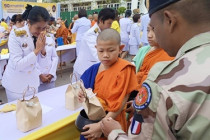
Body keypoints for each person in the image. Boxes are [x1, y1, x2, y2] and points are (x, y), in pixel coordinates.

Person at [101, 0, 210, 139]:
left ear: (169, 20)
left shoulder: (165, 81)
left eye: (154, 27)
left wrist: (114, 133)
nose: (152, 34)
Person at [78, 28, 137, 140]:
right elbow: (87, 91)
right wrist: (82, 94)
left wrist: (100, 126)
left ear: (120, 49)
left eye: (111, 50)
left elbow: (119, 105)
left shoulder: (124, 69)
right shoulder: (95, 69)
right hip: (94, 117)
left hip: (113, 122)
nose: (105, 55)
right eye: (101, 51)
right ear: (96, 49)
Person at [2, 5, 50, 102]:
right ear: (29, 22)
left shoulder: (42, 35)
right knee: (17, 114)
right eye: (38, 28)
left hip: (33, 83)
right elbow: (18, 65)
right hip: (16, 86)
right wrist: (37, 50)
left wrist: (43, 50)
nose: (41, 31)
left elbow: (41, 61)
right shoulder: (16, 35)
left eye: (44, 28)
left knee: (34, 113)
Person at [73, 8, 115, 80]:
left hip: (92, 69)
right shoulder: (91, 35)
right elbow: (98, 55)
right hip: (83, 71)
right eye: (109, 23)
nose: (110, 26)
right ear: (101, 21)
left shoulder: (102, 32)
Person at [37, 26, 58, 92]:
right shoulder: (32, 41)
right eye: (39, 28)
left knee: (51, 96)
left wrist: (51, 73)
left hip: (50, 76)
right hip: (38, 78)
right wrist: (40, 75)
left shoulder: (50, 39)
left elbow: (54, 57)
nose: (42, 31)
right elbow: (32, 62)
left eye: (43, 29)